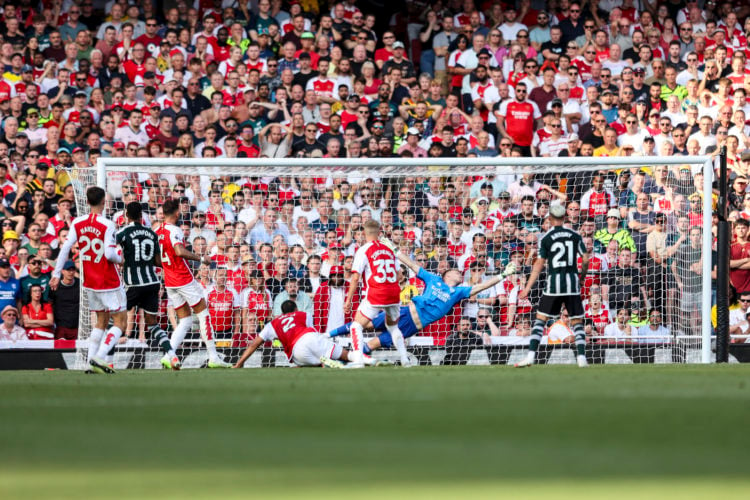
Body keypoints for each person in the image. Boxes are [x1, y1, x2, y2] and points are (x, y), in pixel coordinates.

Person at [329, 250, 515, 353]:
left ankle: (345, 358)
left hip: (413, 326)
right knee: (365, 325)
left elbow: (480, 287)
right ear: (446, 274)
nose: (460, 273)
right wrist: (394, 250)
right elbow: (412, 265)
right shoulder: (433, 279)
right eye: (456, 271)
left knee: (373, 344)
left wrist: (503, 275)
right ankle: (328, 336)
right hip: (403, 312)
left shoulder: (459, 292)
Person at [50, 187, 126, 374]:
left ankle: (90, 363)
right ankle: (99, 357)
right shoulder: (107, 224)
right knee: (120, 322)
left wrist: (56, 274)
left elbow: (66, 247)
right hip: (108, 280)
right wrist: (120, 256)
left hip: (89, 280)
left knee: (101, 321)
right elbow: (109, 253)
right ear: (103, 202)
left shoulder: (77, 222)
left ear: (87, 201)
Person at [156, 199, 231, 368]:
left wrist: (167, 267)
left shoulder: (157, 231)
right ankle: (213, 357)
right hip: (183, 279)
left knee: (185, 321)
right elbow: (179, 251)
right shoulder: (174, 230)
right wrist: (202, 259)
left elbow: (156, 258)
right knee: (204, 314)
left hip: (169, 281)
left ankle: (169, 355)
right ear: (176, 213)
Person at [516, 203, 590, 367]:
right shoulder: (575, 235)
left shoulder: (546, 238)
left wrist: (527, 288)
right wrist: (582, 277)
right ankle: (581, 358)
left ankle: (531, 356)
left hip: (553, 285)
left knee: (541, 319)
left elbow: (539, 264)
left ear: (549, 218)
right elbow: (585, 258)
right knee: (577, 321)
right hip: (572, 283)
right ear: (565, 217)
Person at [117, 202, 180, 369]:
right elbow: (158, 261)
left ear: (126, 216)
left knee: (116, 319)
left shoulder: (122, 232)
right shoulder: (151, 233)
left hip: (133, 284)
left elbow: (113, 253)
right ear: (141, 216)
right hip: (152, 283)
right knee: (152, 323)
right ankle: (172, 355)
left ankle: (103, 356)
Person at [344, 219, 408, 367]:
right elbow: (400, 276)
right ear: (380, 233)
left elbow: (355, 278)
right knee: (393, 327)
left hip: (376, 294)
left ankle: (359, 360)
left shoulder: (364, 250)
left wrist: (348, 300)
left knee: (356, 326)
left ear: (364, 233)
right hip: (393, 293)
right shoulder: (389, 250)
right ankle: (405, 360)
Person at [233, 300, 352, 368]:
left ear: (282, 312)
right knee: (346, 355)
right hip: (309, 339)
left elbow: (254, 344)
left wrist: (239, 363)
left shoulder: (272, 324)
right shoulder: (304, 314)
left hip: (297, 354)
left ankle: (322, 362)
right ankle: (355, 359)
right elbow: (312, 331)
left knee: (310, 362)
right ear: (296, 309)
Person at [48, 260, 79, 340]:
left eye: (73, 270)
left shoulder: (80, 284)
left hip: (77, 325)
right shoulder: (55, 286)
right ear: (62, 271)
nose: (71, 272)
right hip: (61, 326)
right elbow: (49, 304)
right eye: (68, 270)